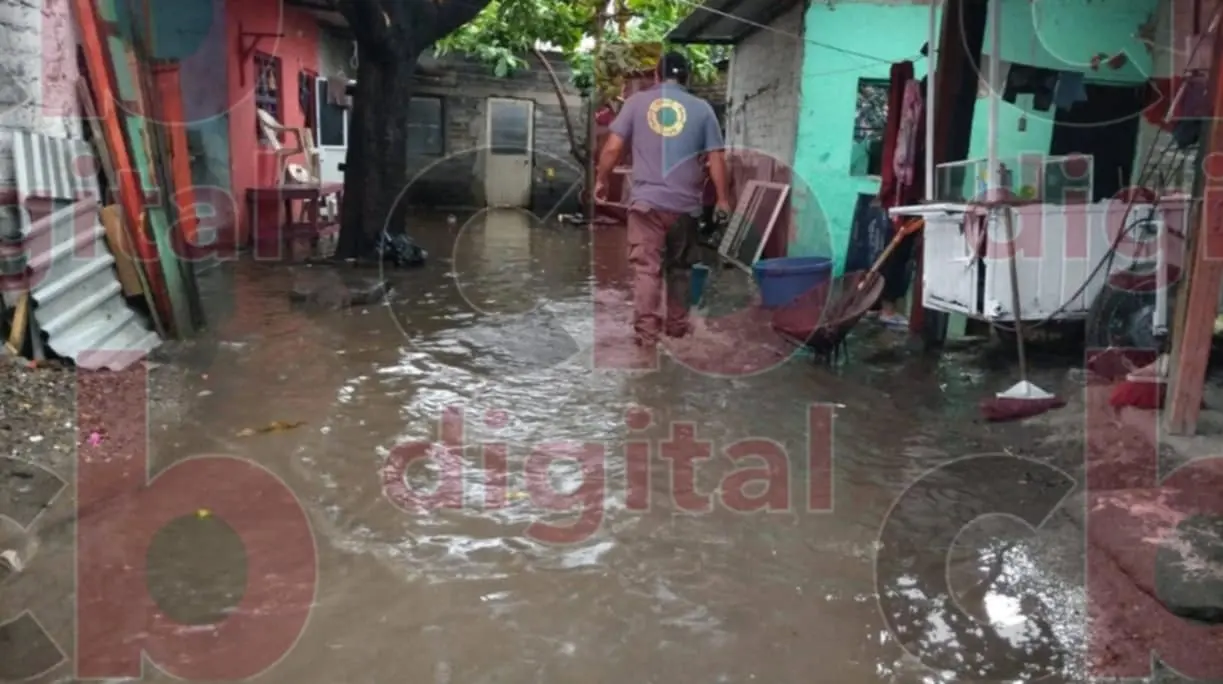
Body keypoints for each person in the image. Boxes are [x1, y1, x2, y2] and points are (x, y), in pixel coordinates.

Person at [595, 52, 732, 348]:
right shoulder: (703, 109)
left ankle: (646, 339)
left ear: (656, 76)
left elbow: (612, 148)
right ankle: (677, 332)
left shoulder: (635, 104)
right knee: (680, 269)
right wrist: (722, 199)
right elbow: (716, 158)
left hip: (646, 205)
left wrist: (602, 181)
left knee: (647, 270)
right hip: (686, 208)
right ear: (687, 78)